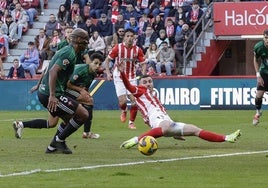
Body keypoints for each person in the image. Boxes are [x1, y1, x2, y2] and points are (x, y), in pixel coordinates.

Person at [117, 65, 241, 149]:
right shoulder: (139, 90)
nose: (148, 84)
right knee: (165, 127)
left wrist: (173, 133)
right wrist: (122, 73)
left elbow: (136, 107)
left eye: (150, 81)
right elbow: (128, 86)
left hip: (166, 120)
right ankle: (137, 139)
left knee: (195, 130)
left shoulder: (152, 94)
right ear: (140, 84)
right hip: (157, 120)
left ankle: (227, 138)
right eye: (145, 82)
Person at [13, 53, 104, 139]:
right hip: (59, 92)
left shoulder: (92, 74)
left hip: (59, 93)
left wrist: (83, 94)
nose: (97, 66)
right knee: (88, 101)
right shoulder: (79, 69)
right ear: (89, 61)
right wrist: (81, 92)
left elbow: (85, 90)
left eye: (99, 64)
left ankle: (20, 124)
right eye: (95, 63)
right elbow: (67, 84)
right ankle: (85, 133)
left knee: (52, 123)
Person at [37, 28, 90, 154]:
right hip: (51, 94)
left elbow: (49, 69)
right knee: (83, 114)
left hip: (51, 91)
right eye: (85, 40)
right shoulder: (69, 53)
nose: (86, 43)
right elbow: (53, 71)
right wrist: (52, 95)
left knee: (69, 119)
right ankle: (59, 140)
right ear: (77, 39)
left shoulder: (69, 51)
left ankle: (52, 147)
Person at [104, 28, 146, 129]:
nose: (130, 38)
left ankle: (131, 122)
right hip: (119, 76)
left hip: (131, 77)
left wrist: (143, 76)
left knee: (134, 101)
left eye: (131, 36)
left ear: (134, 37)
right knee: (122, 102)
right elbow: (107, 60)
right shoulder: (118, 48)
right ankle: (123, 110)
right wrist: (108, 73)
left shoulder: (137, 50)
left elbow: (143, 64)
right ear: (124, 37)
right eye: (127, 36)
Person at [252, 29, 268, 126]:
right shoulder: (258, 47)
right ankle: (258, 113)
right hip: (264, 73)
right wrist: (258, 75)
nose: (267, 40)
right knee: (258, 95)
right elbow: (255, 60)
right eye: (266, 38)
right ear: (263, 37)